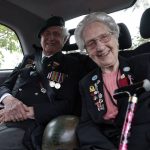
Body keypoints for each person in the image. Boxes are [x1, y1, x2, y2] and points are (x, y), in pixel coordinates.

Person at [0, 16, 83, 150]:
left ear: (65, 39)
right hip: (5, 112)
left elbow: (68, 104)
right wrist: (9, 101)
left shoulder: (71, 64)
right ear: (41, 38)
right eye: (46, 34)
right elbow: (5, 85)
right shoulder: (28, 59)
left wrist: (24, 112)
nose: (51, 38)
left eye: (56, 34)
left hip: (30, 123)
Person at [74, 12, 150, 150]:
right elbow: (86, 124)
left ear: (116, 37)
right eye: (91, 43)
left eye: (104, 37)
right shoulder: (86, 83)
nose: (100, 47)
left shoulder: (145, 64)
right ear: (87, 51)